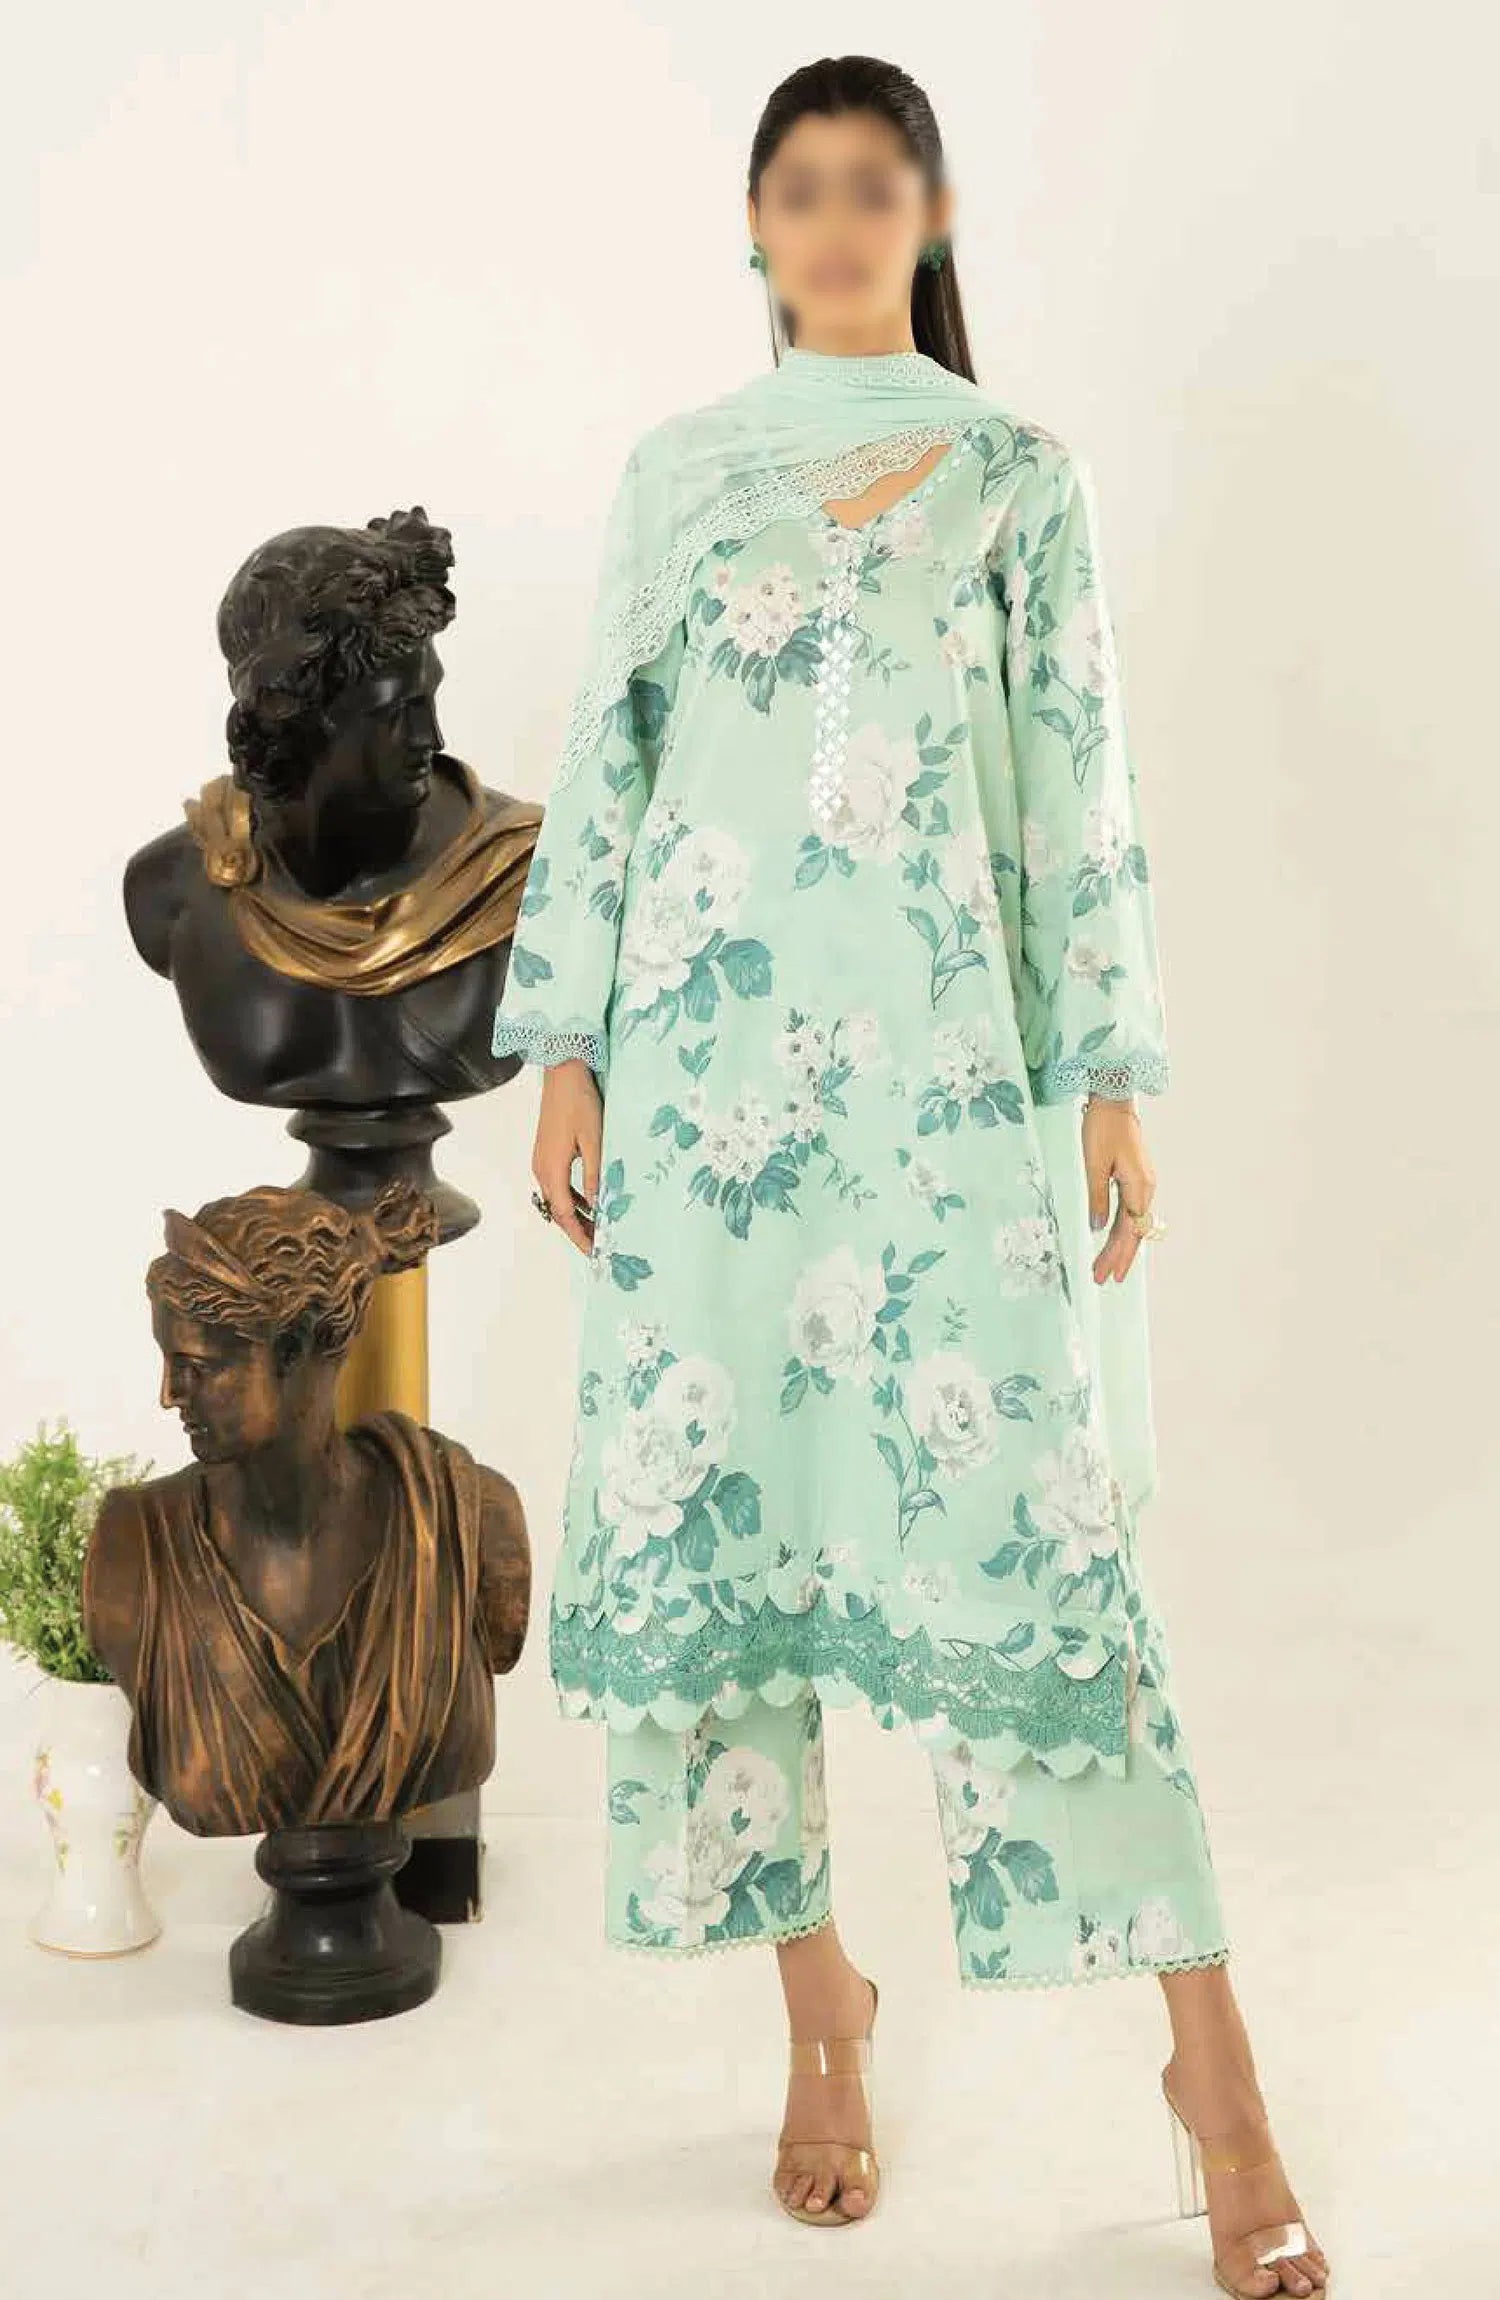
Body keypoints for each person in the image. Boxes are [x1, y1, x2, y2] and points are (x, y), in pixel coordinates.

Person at [492, 53, 1327, 2298]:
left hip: (949, 1098)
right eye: (803, 187)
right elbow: (607, 773)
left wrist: (1111, 1080)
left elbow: (1078, 784)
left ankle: (1217, 2082)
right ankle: (820, 2014)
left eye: (879, 185)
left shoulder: (1017, 482)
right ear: (754, 229)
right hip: (709, 1099)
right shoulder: (679, 479)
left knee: (1043, 1558)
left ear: (933, 219)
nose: (841, 219)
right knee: (738, 1535)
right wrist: (568, 1051)